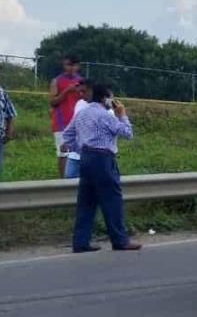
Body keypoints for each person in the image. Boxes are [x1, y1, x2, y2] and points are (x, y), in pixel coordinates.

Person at [60, 84, 141, 252]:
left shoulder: (82, 113)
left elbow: (67, 135)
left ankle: (80, 242)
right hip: (103, 158)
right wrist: (122, 115)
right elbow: (127, 133)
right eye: (111, 97)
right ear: (105, 98)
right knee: (112, 200)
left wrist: (80, 148)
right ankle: (120, 240)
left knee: (86, 202)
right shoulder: (105, 115)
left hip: (86, 158)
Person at [49, 55, 86, 177]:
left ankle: (75, 179)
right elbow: (53, 101)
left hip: (77, 122)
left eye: (73, 65)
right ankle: (63, 182)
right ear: (64, 65)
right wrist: (66, 91)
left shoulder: (82, 81)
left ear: (78, 66)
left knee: (77, 152)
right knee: (63, 153)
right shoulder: (57, 81)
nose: (70, 68)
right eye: (68, 65)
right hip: (61, 123)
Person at [62, 83, 93, 179]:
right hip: (74, 154)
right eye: (80, 91)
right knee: (69, 179)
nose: (81, 94)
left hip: (90, 155)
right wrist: (67, 141)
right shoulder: (79, 103)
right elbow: (74, 125)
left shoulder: (101, 108)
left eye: (84, 91)